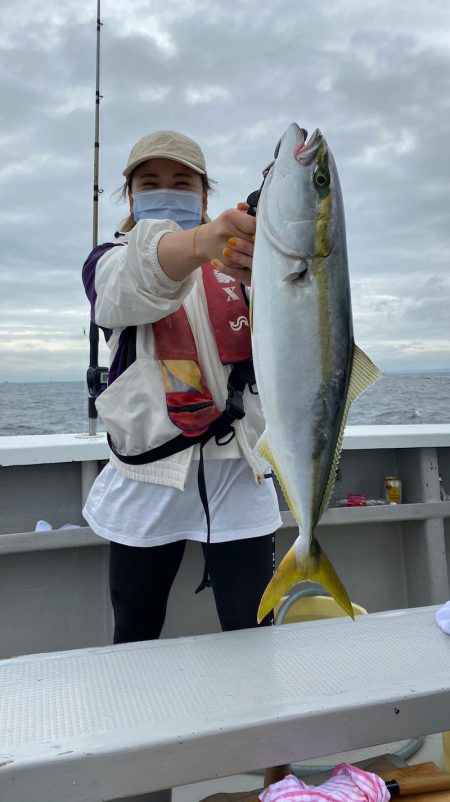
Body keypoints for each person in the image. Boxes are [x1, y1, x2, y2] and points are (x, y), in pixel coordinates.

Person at [82, 131, 290, 783]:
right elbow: (133, 285)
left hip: (238, 475)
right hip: (149, 479)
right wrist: (205, 243)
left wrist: (275, 245)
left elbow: (299, 321)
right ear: (129, 195)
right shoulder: (107, 263)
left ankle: (277, 783)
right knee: (135, 640)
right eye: (150, 183)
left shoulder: (250, 262)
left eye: (183, 181)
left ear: (207, 194)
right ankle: (138, 781)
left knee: (257, 645)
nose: (167, 193)